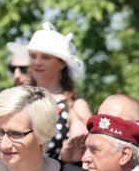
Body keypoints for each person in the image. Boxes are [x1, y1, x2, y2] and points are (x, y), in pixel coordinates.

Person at [26, 22, 93, 158]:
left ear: (62, 63)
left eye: (45, 57)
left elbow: (83, 152)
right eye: (33, 56)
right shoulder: (19, 98)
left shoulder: (74, 105)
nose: (37, 62)